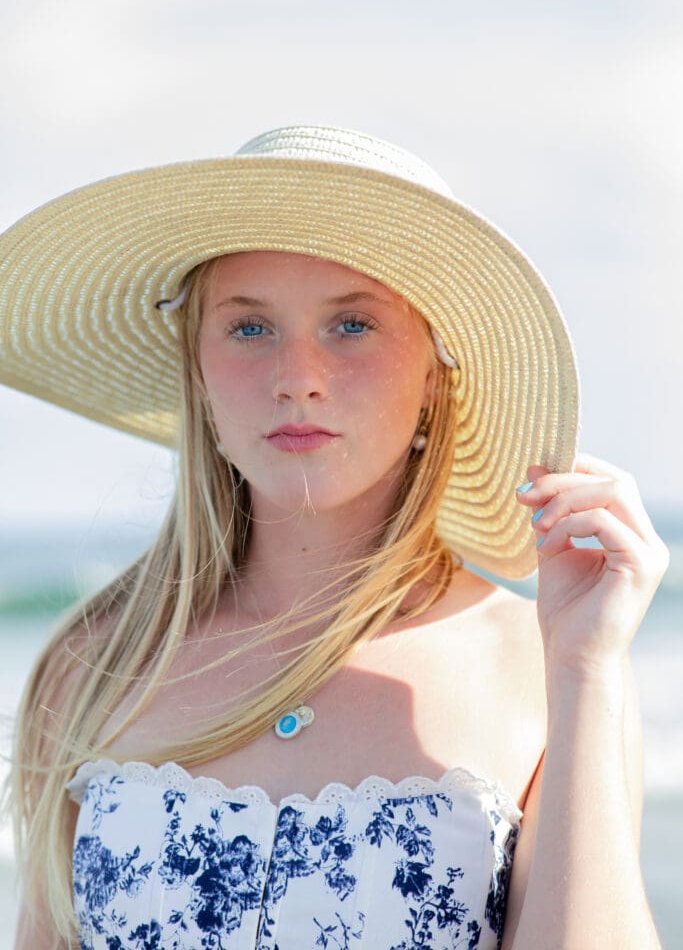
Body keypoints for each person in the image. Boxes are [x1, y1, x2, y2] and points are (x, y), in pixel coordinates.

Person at [0, 124, 667, 950]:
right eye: (249, 328)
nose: (296, 378)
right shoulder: (99, 663)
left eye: (352, 324)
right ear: (198, 375)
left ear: (433, 373)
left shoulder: (541, 666)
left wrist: (586, 666)